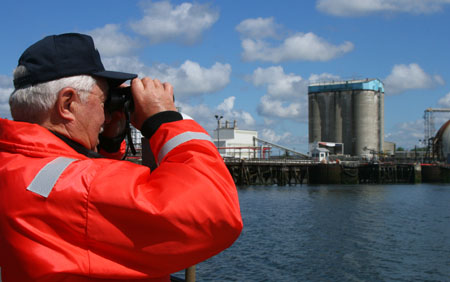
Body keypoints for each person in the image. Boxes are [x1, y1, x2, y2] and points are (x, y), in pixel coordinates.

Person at [0, 33, 243, 281]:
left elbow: (91, 215)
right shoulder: (74, 187)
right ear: (68, 103)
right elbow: (215, 216)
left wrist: (109, 142)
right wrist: (165, 121)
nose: (107, 116)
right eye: (105, 102)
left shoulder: (13, 164)